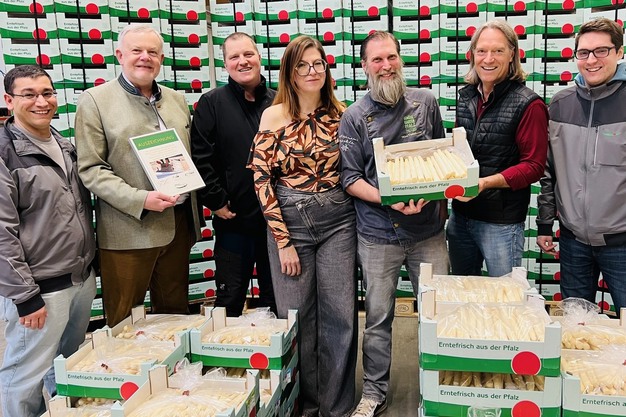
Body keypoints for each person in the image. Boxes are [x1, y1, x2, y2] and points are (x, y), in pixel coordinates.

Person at [339, 31, 449, 417]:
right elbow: (350, 179)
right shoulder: (354, 116)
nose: (386, 66)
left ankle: (440, 389)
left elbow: (443, 157)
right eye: (377, 60)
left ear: (400, 59)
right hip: (378, 235)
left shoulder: (425, 102)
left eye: (391, 57)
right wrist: (388, 198)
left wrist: (431, 194)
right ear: (364, 67)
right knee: (378, 318)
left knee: (436, 314)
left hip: (428, 233)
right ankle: (374, 393)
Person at [248, 35, 357, 417]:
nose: (312, 71)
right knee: (297, 317)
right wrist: (282, 242)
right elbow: (262, 181)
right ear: (289, 73)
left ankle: (336, 406)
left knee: (341, 316)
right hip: (290, 226)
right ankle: (306, 405)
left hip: (338, 222)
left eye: (318, 64)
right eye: (302, 65)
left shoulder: (343, 114)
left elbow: (356, 170)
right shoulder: (273, 116)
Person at [75, 24, 203, 326]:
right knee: (122, 322)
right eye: (137, 50)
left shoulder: (176, 99)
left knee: (174, 318)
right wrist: (140, 199)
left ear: (161, 59)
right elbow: (91, 169)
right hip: (128, 231)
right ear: (120, 55)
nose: (145, 57)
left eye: (152, 52)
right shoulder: (95, 100)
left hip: (178, 226)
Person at [0, 65, 96, 417]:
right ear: (9, 100)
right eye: (29, 94)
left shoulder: (64, 144)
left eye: (47, 93)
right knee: (24, 377)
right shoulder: (5, 154)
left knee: (67, 366)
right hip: (40, 289)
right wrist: (25, 297)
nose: (41, 102)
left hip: (79, 279)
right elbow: (2, 234)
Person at [537, 17, 626, 316]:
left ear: (619, 52)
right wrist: (545, 224)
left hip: (622, 243)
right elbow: (549, 171)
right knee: (576, 327)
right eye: (584, 52)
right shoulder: (560, 103)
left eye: (601, 51)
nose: (591, 60)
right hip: (573, 242)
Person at [448, 19, 548, 277]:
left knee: (505, 295)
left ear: (512, 54)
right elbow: (459, 150)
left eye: (498, 51)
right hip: (460, 217)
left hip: (500, 223)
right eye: (482, 51)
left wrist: (484, 183)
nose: (488, 59)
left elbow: (534, 166)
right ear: (472, 54)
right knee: (463, 292)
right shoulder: (466, 97)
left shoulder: (529, 104)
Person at [191, 32, 276, 317]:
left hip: (275, 223)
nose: (243, 61)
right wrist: (216, 201)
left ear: (259, 57)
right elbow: (200, 156)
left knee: (276, 299)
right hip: (233, 221)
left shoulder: (279, 102)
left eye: (248, 54)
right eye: (234, 57)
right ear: (225, 64)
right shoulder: (212, 103)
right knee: (230, 300)